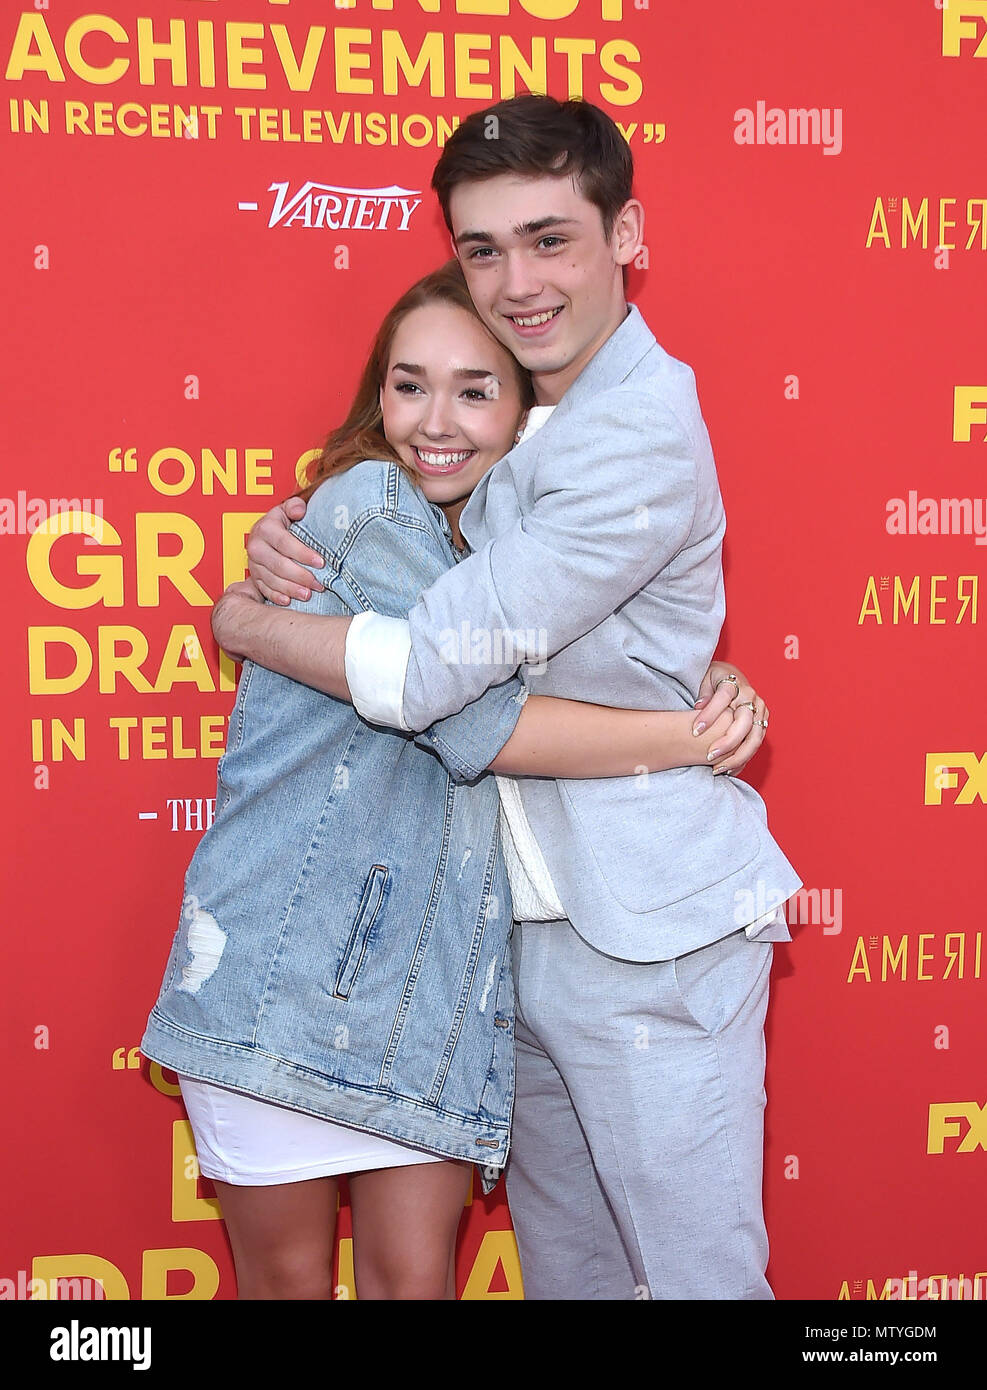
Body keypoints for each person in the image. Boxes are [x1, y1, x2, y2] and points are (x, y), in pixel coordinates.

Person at [215, 94, 802, 1301]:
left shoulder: (631, 430)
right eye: (483, 248)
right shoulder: (525, 417)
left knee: (695, 1285)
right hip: (510, 935)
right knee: (573, 1280)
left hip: (646, 933)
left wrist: (246, 625)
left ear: (628, 232)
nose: (518, 281)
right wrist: (684, 698)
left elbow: (436, 678)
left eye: (551, 239)